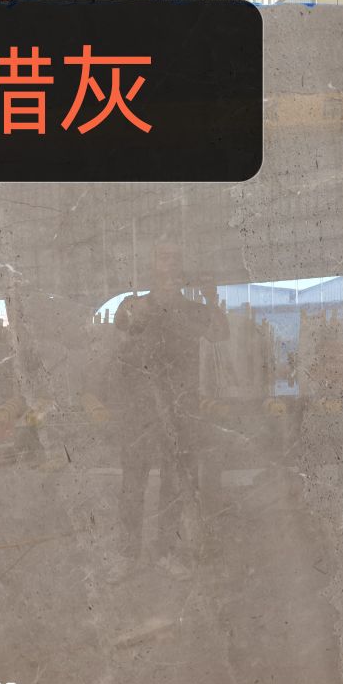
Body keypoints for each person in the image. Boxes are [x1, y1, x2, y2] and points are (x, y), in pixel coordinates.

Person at [113, 239, 228, 572]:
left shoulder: (194, 310)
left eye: (175, 258)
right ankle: (128, 555)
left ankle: (165, 552)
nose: (169, 264)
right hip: (141, 410)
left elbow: (221, 333)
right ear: (152, 265)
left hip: (179, 409)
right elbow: (120, 324)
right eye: (163, 257)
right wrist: (133, 313)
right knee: (132, 482)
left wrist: (211, 297)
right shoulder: (135, 305)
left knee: (174, 482)